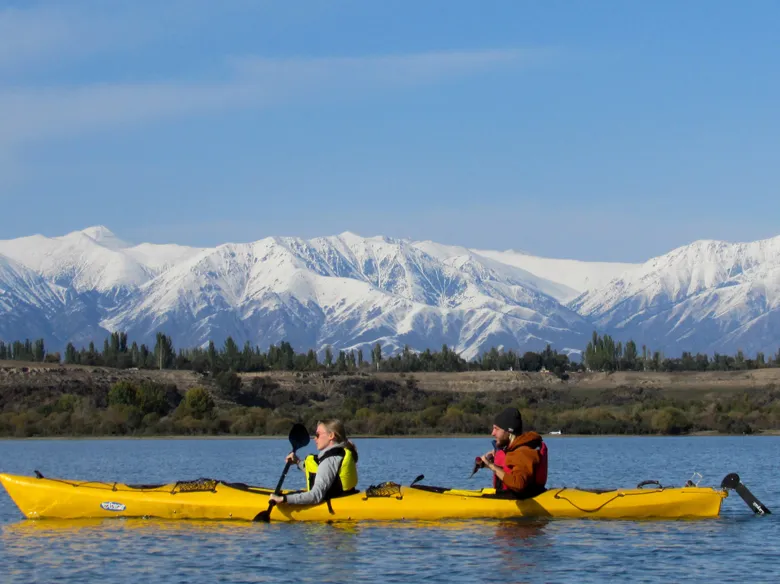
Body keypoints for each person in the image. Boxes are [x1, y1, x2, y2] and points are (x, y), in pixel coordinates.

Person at [269, 419, 358, 506]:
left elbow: (316, 496)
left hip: (332, 505)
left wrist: (283, 499)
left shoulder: (329, 460)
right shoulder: (339, 453)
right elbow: (322, 472)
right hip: (345, 498)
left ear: (331, 435)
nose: (314, 439)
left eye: (317, 435)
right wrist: (298, 462)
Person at [480, 407, 547, 497]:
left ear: (508, 431)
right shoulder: (514, 449)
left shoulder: (523, 452)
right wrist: (491, 463)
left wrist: (492, 466)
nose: (493, 433)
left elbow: (518, 484)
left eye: (496, 429)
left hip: (524, 499)